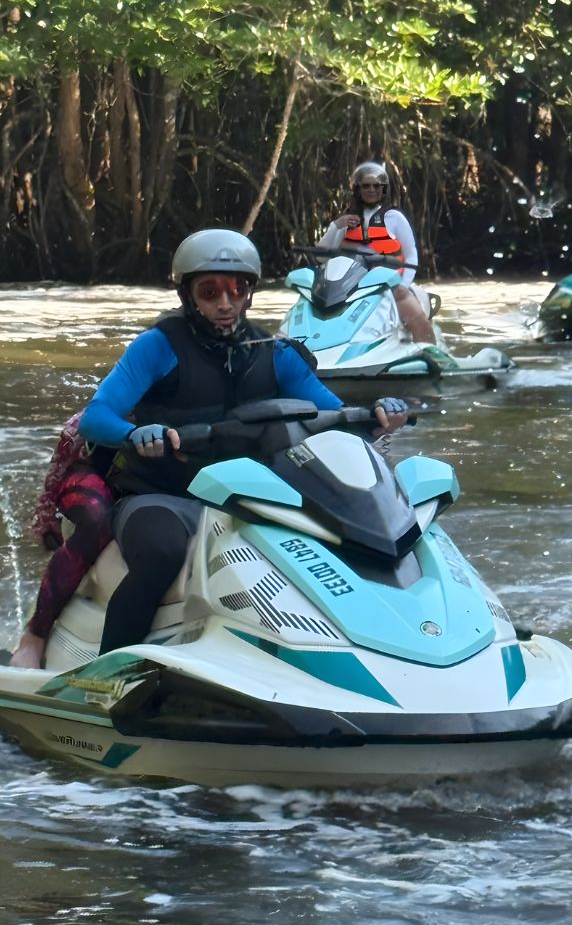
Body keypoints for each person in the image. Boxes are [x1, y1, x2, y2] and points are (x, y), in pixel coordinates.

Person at [79, 228, 408, 656]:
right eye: (210, 291)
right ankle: (108, 672)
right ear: (188, 295)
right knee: (161, 553)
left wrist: (380, 417)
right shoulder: (157, 346)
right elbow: (96, 417)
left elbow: (334, 417)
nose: (224, 303)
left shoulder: (277, 353)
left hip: (252, 500)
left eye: (236, 290)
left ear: (250, 293)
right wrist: (134, 433)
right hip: (161, 496)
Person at [10, 413, 114, 668]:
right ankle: (35, 636)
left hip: (164, 474)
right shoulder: (134, 378)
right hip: (92, 465)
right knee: (97, 521)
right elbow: (85, 424)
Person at [318, 161, 437, 345]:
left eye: (376, 186)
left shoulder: (394, 217)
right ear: (358, 189)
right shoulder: (347, 219)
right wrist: (335, 226)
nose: (371, 190)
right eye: (366, 186)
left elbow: (411, 254)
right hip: (351, 284)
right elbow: (321, 256)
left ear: (383, 189)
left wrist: (403, 284)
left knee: (407, 305)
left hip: (390, 284)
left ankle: (429, 349)